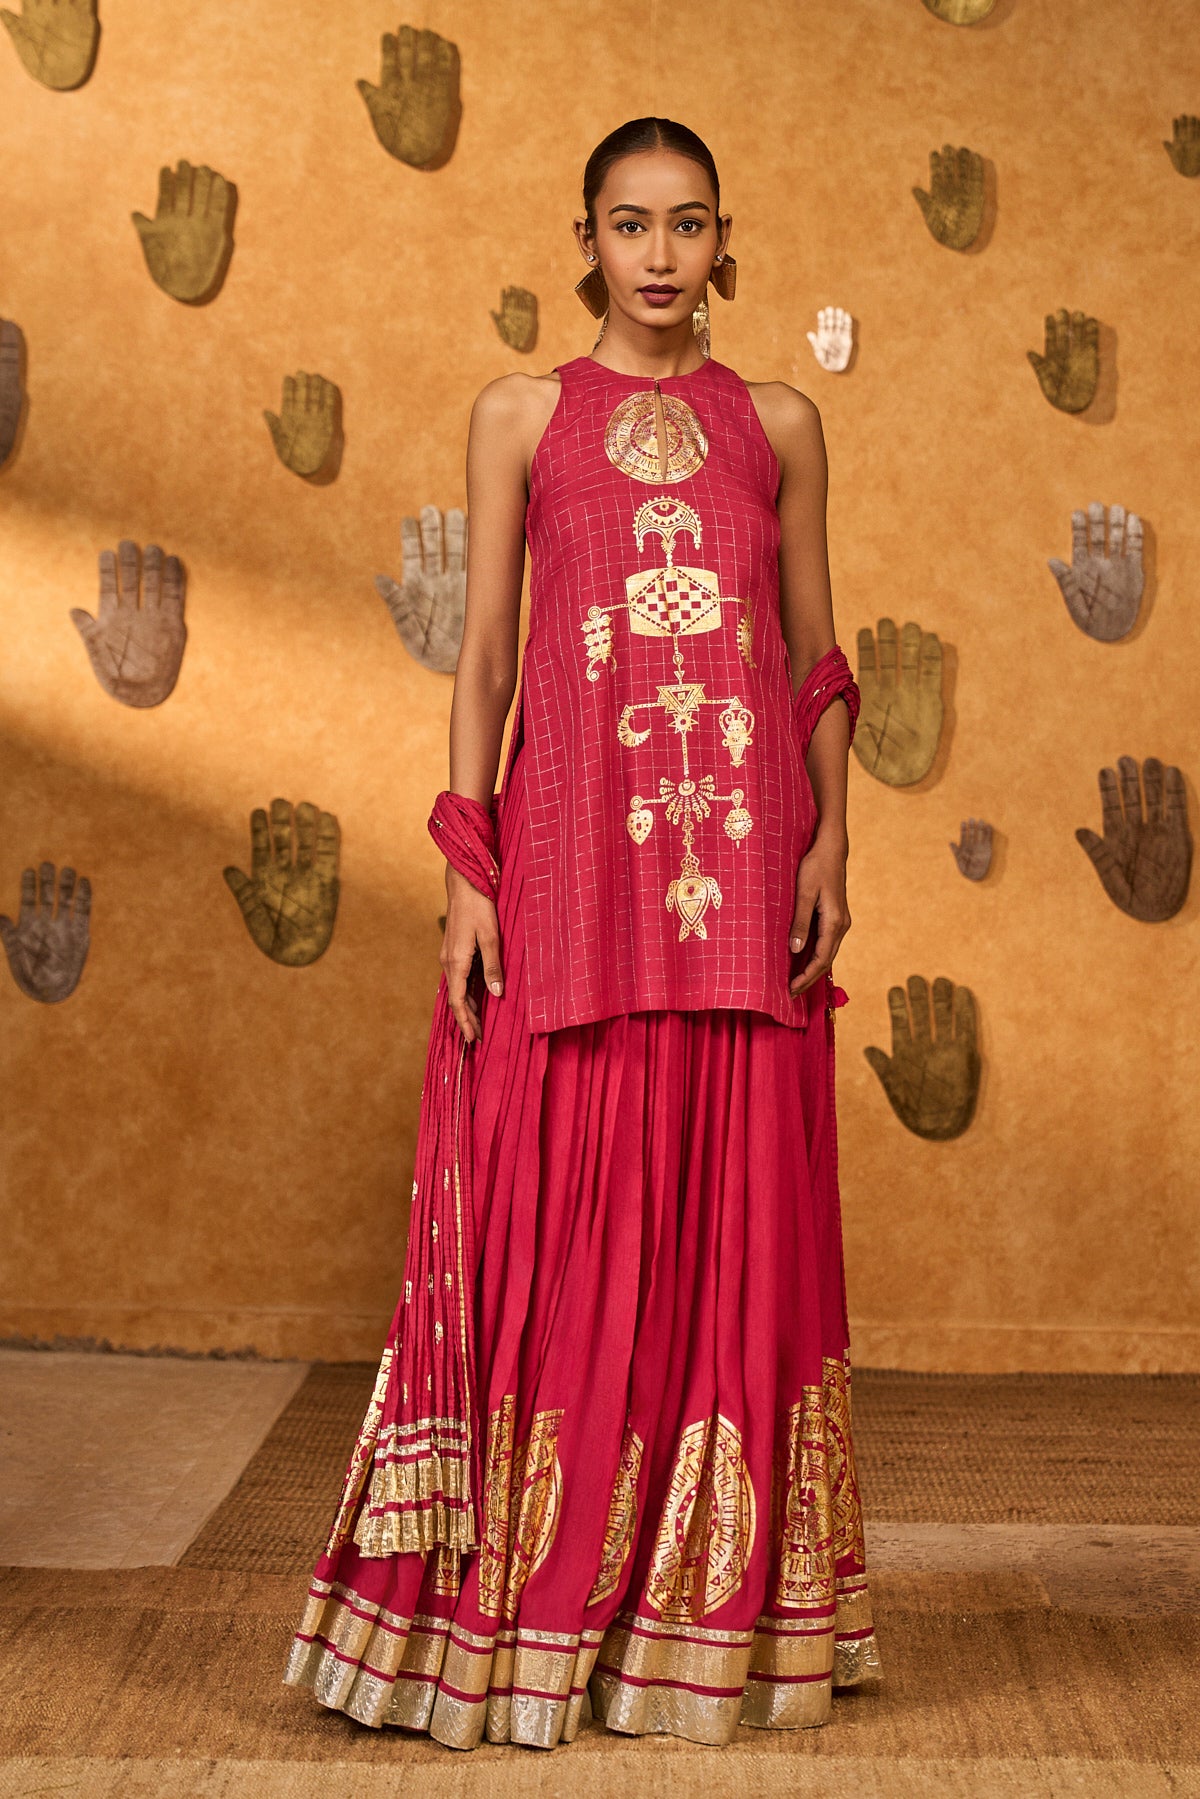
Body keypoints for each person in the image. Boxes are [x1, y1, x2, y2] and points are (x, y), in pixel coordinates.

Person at [284, 115, 880, 1752]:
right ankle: (539, 1607)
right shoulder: (522, 416)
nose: (661, 255)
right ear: (588, 242)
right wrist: (467, 865)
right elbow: (486, 653)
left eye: (688, 224)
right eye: (631, 224)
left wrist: (834, 840)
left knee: (731, 1221)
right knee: (568, 1211)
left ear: (724, 239)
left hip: (746, 869)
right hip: (570, 862)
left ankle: (701, 1620)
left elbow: (816, 652)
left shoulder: (779, 421)